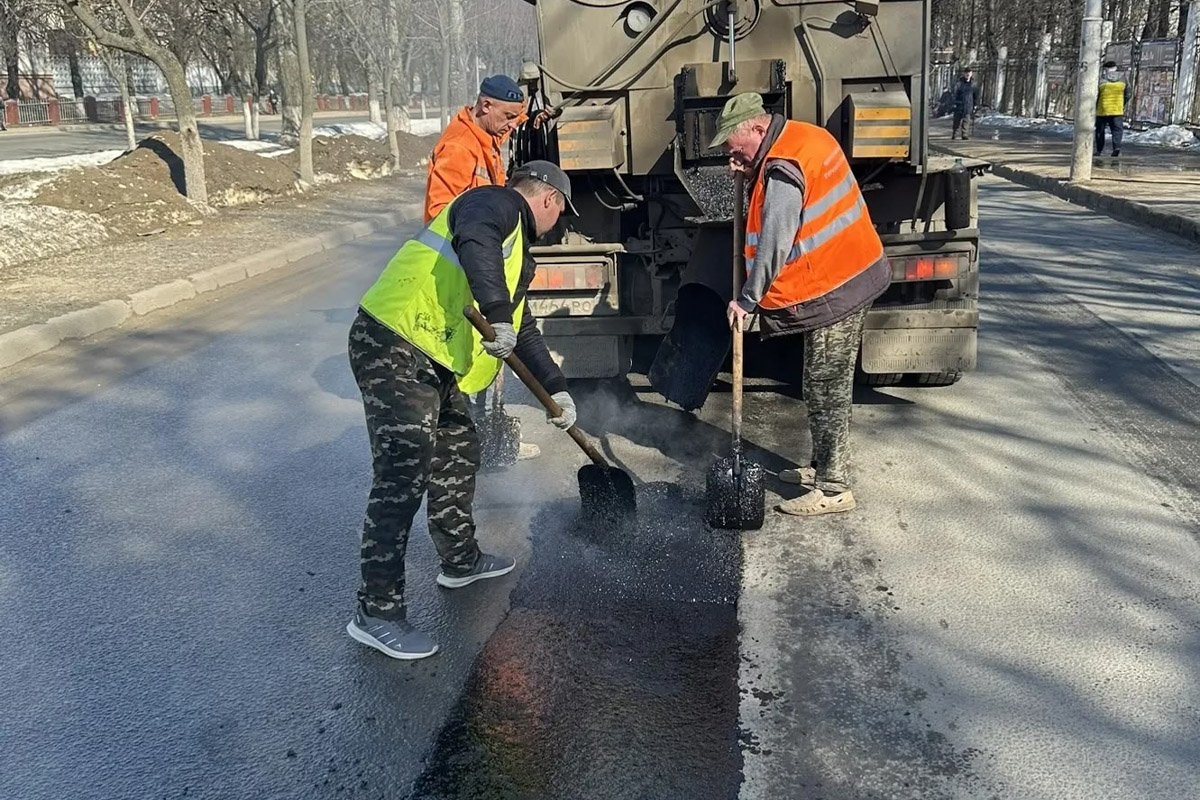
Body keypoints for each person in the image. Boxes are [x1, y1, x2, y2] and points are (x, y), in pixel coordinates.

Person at [346, 161, 580, 660]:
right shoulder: (494, 203)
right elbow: (476, 236)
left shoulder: (515, 253)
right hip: (393, 341)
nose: (558, 224)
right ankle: (376, 612)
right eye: (561, 213)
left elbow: (522, 327)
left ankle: (460, 561)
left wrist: (557, 390)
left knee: (457, 450)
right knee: (402, 475)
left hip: (431, 355)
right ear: (550, 200)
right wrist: (497, 312)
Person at [710, 93, 890, 516]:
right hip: (845, 271)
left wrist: (747, 300)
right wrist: (748, 171)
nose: (732, 158)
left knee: (826, 387)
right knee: (820, 383)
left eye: (735, 149)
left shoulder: (782, 168)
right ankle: (822, 465)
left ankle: (834, 487)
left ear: (758, 129)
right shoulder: (800, 138)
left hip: (838, 284)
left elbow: (775, 241)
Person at [425, 74, 541, 461]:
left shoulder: (485, 138)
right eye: (507, 117)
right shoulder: (460, 147)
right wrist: (481, 257)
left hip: (476, 263)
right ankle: (473, 446)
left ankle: (490, 442)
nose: (511, 125)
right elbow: (440, 212)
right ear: (485, 105)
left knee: (487, 359)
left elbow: (509, 123)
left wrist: (530, 118)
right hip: (462, 267)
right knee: (470, 360)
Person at [1096, 60, 1133, 158]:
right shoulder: (1123, 79)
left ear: (1105, 69)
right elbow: (1129, 93)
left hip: (1102, 109)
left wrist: (1095, 106)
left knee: (1100, 130)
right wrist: (1122, 103)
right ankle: (1116, 148)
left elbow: (1096, 94)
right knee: (1117, 130)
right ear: (1115, 68)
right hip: (1117, 109)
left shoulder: (1101, 79)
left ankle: (1099, 150)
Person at [951, 68, 980, 140]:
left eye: (969, 73)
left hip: (968, 105)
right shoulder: (959, 84)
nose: (968, 74)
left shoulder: (974, 84)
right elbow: (954, 94)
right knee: (957, 121)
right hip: (959, 105)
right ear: (964, 74)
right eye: (966, 73)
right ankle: (955, 133)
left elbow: (976, 96)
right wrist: (954, 103)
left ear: (971, 74)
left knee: (966, 120)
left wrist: (975, 105)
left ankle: (965, 134)